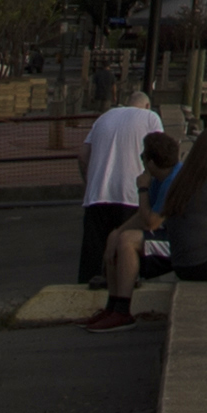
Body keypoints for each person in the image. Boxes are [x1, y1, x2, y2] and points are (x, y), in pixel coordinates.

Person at [89, 127, 207, 329]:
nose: (141, 161)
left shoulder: (173, 179)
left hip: (181, 245)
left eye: (143, 156)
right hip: (193, 247)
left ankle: (122, 310)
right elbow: (144, 218)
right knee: (120, 236)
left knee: (127, 240)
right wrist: (116, 232)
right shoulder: (169, 178)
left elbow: (151, 222)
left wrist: (141, 189)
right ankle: (113, 307)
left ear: (151, 162)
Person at [76, 84, 163, 288]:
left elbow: (82, 156)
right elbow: (159, 153)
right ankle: (122, 294)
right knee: (125, 250)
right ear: (147, 105)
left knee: (94, 255)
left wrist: (90, 182)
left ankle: (84, 296)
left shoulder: (104, 117)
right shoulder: (151, 118)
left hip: (97, 195)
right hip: (130, 195)